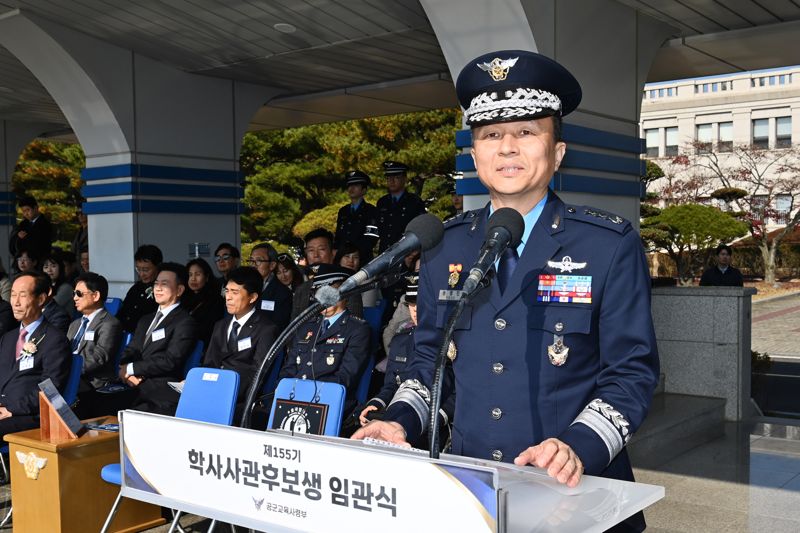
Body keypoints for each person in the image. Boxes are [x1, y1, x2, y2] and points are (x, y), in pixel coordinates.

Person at [354, 50, 659, 532]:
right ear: (476, 155)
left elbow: (631, 373)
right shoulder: (444, 245)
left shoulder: (606, 244)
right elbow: (429, 361)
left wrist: (577, 447)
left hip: (577, 495)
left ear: (558, 152)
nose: (508, 148)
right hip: (472, 493)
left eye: (526, 132)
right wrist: (400, 420)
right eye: (491, 135)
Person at [279, 264, 371, 419]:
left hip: (328, 404)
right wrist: (285, 392)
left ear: (344, 293)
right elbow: (288, 370)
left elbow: (345, 378)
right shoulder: (306, 326)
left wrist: (306, 393)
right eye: (317, 292)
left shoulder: (357, 330)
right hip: (294, 400)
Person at [119, 262, 198, 416]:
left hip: (160, 387)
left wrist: (132, 369)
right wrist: (123, 370)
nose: (158, 288)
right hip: (132, 382)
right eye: (156, 283)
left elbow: (170, 360)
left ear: (179, 290)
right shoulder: (145, 319)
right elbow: (132, 349)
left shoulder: (184, 322)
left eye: (164, 284)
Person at [0, 271, 71, 441]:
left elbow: (50, 389)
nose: (16, 302)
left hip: (29, 415)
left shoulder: (54, 339)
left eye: (23, 295)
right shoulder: (7, 338)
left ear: (40, 299)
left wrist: (11, 409)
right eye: (13, 295)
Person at [203, 267, 278, 404]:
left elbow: (258, 373)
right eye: (227, 291)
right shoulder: (220, 325)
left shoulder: (266, 329)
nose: (228, 297)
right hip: (211, 391)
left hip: (238, 398)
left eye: (235, 292)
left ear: (252, 297)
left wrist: (226, 393)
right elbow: (210, 363)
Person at [68, 272, 123, 417]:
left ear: (96, 296)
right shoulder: (74, 324)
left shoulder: (110, 323)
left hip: (91, 382)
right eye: (74, 293)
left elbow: (99, 358)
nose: (74, 298)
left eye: (79, 294)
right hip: (71, 378)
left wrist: (70, 372)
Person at [291, 229, 363, 320]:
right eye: (311, 250)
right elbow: (293, 324)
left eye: (321, 249)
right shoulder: (302, 289)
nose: (316, 255)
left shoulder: (347, 285)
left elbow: (355, 322)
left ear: (333, 253)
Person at [376, 161, 426, 253]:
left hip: (406, 252)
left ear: (405, 179)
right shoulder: (382, 202)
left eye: (396, 177)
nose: (391, 181)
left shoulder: (414, 201)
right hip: (385, 253)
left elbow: (421, 229)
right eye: (388, 178)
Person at [334, 170, 379, 263]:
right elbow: (338, 237)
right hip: (343, 260)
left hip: (362, 259)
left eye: (356, 185)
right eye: (350, 185)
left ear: (364, 190)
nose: (351, 188)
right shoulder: (343, 211)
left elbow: (371, 239)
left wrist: (354, 255)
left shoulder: (371, 210)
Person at [117, 244, 162, 333]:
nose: (141, 274)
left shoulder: (162, 290)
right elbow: (122, 313)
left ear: (158, 267)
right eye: (138, 269)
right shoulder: (136, 288)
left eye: (146, 270)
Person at [249, 243, 292, 333]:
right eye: (251, 260)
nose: (253, 265)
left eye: (259, 260)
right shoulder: (245, 287)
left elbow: (279, 327)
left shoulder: (283, 293)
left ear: (272, 265)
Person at [183, 258, 225, 348]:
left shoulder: (216, 300)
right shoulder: (183, 299)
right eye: (190, 275)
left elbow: (210, 329)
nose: (193, 279)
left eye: (198, 274)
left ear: (206, 277)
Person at [9, 195, 52, 260]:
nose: (26, 214)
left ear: (35, 208)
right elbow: (13, 242)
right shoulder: (23, 224)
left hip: (39, 260)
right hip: (22, 260)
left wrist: (24, 238)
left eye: (28, 210)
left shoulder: (45, 224)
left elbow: (41, 244)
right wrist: (19, 237)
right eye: (23, 211)